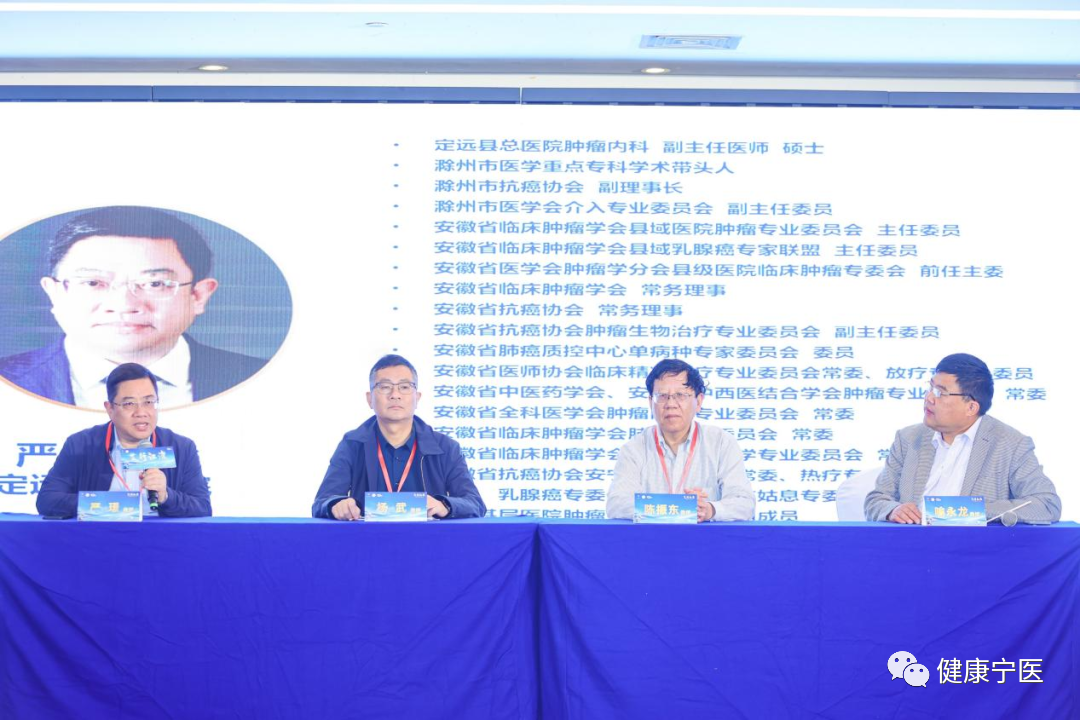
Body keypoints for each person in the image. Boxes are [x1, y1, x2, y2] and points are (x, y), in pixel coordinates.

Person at [0, 206, 267, 407]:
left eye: (155, 284)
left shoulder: (261, 380)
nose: (124, 305)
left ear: (198, 295)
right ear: (55, 293)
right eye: (93, 282)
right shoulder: (8, 379)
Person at [865, 353, 1060, 525]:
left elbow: (1047, 504)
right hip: (911, 546)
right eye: (930, 388)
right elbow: (876, 499)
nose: (929, 398)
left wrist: (967, 512)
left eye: (940, 392)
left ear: (971, 408)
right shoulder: (908, 439)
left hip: (973, 549)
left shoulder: (1010, 444)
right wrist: (893, 510)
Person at [312, 354, 486, 520]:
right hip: (368, 538)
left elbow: (475, 504)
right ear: (370, 399)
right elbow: (322, 502)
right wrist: (336, 506)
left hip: (428, 538)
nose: (395, 395)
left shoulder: (445, 447)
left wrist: (444, 506)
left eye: (404, 387)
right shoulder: (352, 444)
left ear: (417, 398)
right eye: (385, 387)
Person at [36, 362, 212, 518]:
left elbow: (202, 507)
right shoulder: (81, 445)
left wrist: (166, 496)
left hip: (161, 538)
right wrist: (109, 505)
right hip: (99, 537)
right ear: (110, 409)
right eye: (129, 404)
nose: (141, 412)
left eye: (149, 402)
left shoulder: (181, 447)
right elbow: (47, 500)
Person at [606, 358, 754, 522]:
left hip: (706, 538)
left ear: (699, 401)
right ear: (650, 402)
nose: (671, 404)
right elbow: (616, 504)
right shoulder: (634, 449)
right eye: (662, 396)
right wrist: (681, 507)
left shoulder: (721, 443)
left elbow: (744, 503)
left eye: (680, 395)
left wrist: (709, 510)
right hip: (650, 537)